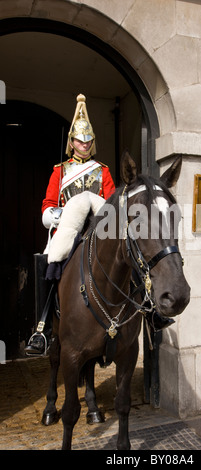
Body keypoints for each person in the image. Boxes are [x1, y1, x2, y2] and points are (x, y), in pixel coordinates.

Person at [25, 94, 115, 355]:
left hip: (97, 228)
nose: (84, 144)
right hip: (67, 228)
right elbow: (47, 203)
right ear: (71, 142)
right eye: (79, 140)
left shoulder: (103, 171)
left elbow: (109, 201)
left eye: (88, 140)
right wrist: (58, 215)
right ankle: (42, 328)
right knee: (50, 262)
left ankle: (148, 313)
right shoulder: (60, 170)